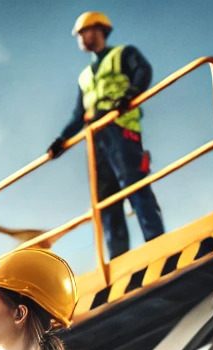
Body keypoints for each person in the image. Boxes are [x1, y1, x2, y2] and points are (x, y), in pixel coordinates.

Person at [47, 11, 164, 259]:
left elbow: (143, 71)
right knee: (106, 200)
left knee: (135, 186)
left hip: (121, 128)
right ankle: (119, 258)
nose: (81, 37)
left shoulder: (123, 54)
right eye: (79, 34)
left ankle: (157, 244)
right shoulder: (85, 76)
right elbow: (79, 114)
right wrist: (62, 140)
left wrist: (129, 95)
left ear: (99, 30)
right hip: (96, 139)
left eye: (84, 31)